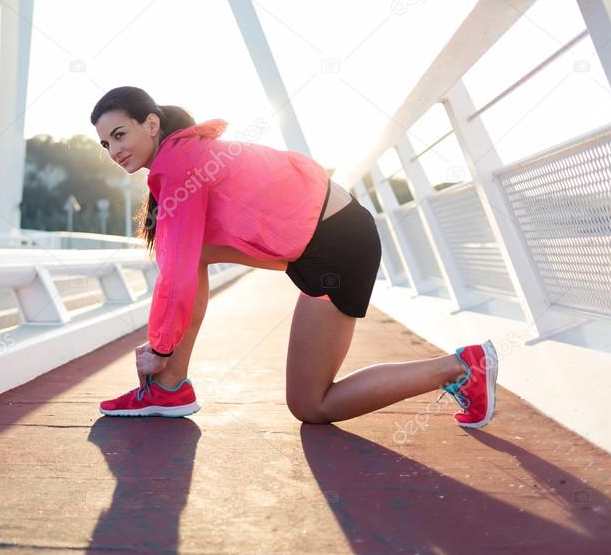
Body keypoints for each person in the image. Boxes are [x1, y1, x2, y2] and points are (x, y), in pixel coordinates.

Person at [91, 86, 496, 428]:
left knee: (311, 405)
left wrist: (160, 348)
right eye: (106, 143)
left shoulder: (180, 163)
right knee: (190, 252)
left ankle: (461, 368)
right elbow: (185, 258)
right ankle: (171, 387)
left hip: (337, 245)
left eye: (120, 134)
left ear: (152, 124)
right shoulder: (186, 154)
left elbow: (177, 273)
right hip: (326, 236)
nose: (114, 150)